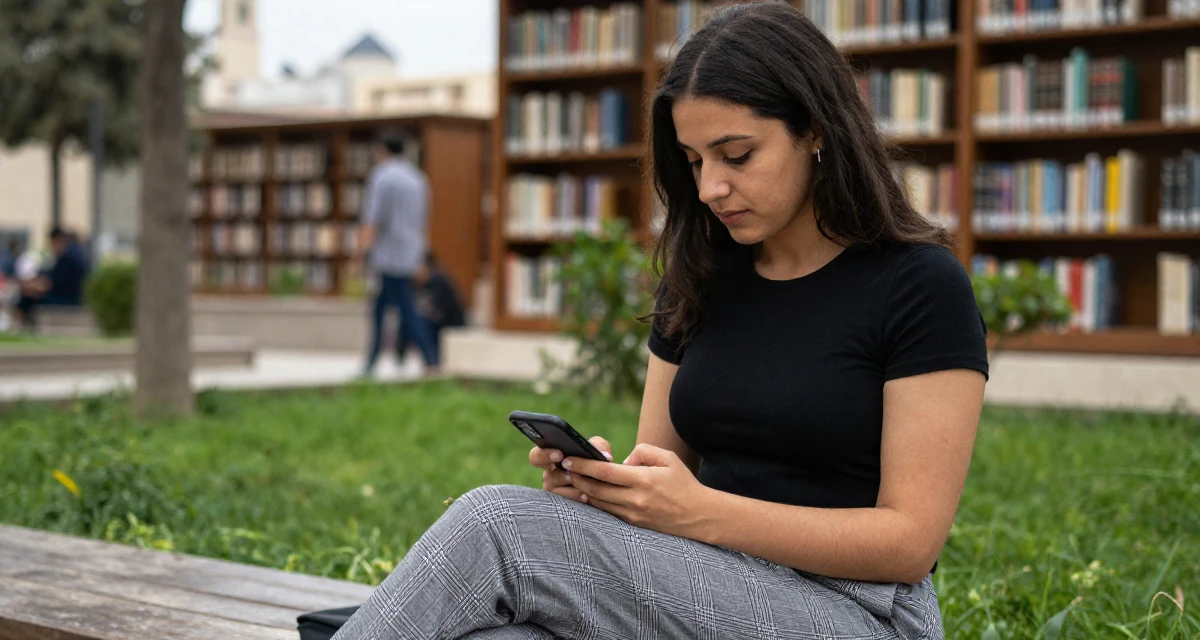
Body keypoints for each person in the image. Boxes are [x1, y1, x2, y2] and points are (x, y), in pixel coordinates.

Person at [331, 3, 988, 639]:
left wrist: (701, 511)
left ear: (814, 130)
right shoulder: (701, 276)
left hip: (858, 611)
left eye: (737, 156)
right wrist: (605, 488)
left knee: (495, 523)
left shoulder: (920, 287)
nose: (709, 190)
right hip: (697, 584)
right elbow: (661, 474)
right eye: (695, 161)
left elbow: (908, 542)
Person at [357, 135, 440, 376]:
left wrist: (360, 252)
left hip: (389, 255)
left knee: (404, 308)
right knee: (384, 307)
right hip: (411, 253)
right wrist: (422, 255)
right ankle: (373, 360)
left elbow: (373, 219)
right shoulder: (418, 178)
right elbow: (423, 220)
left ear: (381, 150)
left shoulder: (382, 177)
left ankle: (430, 358)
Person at [13, 227, 91, 328]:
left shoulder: (67, 257)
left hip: (68, 299)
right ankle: (25, 325)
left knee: (27, 298)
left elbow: (50, 283)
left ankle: (21, 326)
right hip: (73, 296)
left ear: (56, 240)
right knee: (28, 296)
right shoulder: (74, 253)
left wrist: (32, 287)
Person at [398, 251, 467, 361]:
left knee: (418, 322)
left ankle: (431, 359)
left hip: (449, 324)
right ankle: (400, 356)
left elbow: (441, 311)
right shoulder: (414, 284)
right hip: (434, 322)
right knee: (408, 320)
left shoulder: (438, 281)